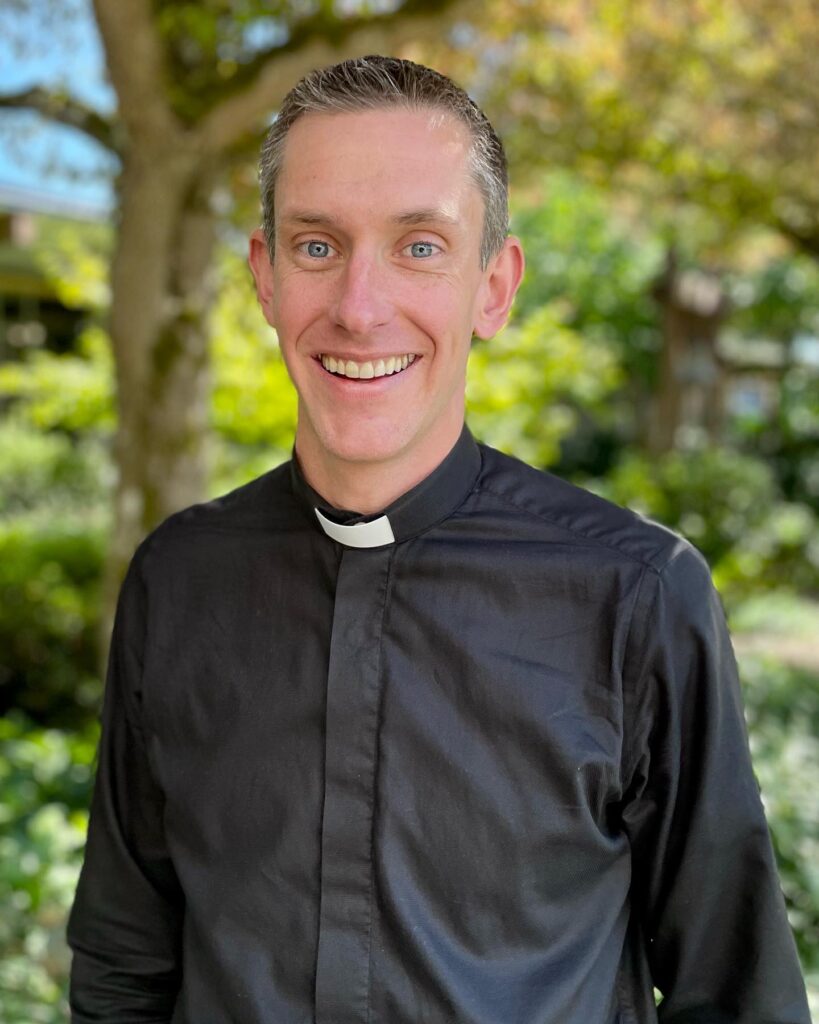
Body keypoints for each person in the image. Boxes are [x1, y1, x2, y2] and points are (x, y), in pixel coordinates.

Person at [67, 55, 810, 1023]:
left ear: (494, 289)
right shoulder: (180, 582)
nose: (360, 306)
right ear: (265, 277)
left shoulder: (637, 595)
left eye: (419, 246)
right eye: (318, 246)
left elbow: (739, 994)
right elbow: (125, 966)